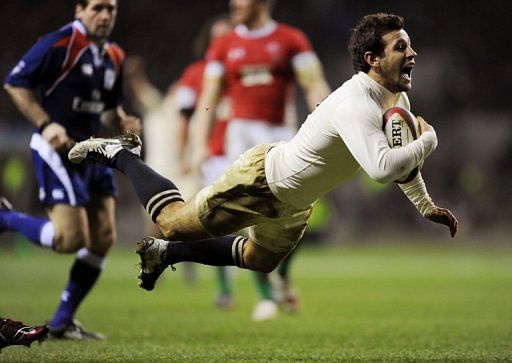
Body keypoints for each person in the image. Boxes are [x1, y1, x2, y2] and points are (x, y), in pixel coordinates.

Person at [68, 13, 459, 309]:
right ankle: (121, 155)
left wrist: (425, 205)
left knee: (259, 261)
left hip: (294, 201)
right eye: (401, 47)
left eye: (409, 45)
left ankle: (164, 255)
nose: (412, 53)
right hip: (263, 182)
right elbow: (380, 169)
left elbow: (400, 167)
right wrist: (430, 139)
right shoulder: (356, 104)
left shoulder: (396, 102)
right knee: (170, 223)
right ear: (373, 59)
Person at [2, 0, 140, 340]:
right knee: (70, 239)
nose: (105, 15)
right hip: (56, 152)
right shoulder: (58, 44)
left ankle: (63, 322)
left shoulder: (115, 56)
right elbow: (15, 83)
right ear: (79, 11)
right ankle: (5, 218)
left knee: (104, 239)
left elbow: (108, 107)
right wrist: (45, 123)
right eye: (97, 8)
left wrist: (122, 119)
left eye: (111, 9)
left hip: (93, 150)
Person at [190, 0, 331, 320]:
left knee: (297, 215)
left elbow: (314, 85)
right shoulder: (224, 46)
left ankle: (281, 275)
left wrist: (329, 124)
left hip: (283, 137)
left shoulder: (291, 39)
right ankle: (265, 295)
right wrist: (199, 145)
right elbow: (208, 100)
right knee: (249, 218)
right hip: (240, 143)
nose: (234, 3)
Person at [172, 15, 235, 304]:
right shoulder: (194, 75)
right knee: (218, 221)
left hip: (244, 152)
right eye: (218, 36)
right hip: (211, 157)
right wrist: (183, 153)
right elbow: (184, 118)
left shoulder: (244, 69)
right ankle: (224, 289)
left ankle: (273, 286)